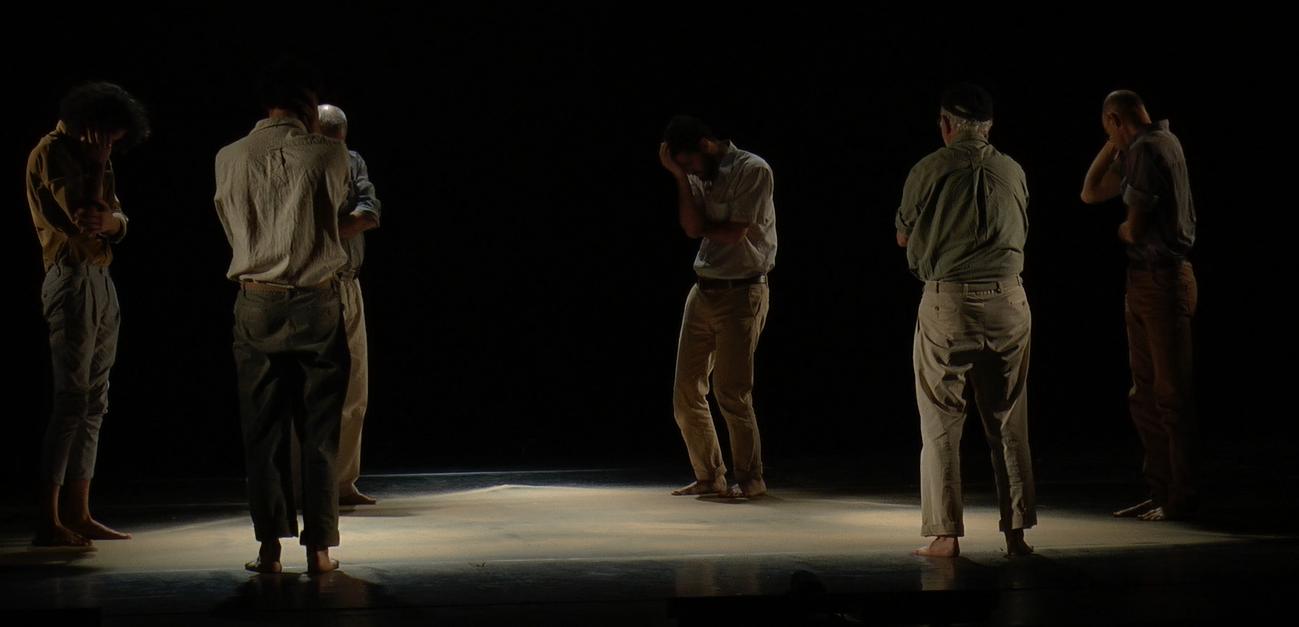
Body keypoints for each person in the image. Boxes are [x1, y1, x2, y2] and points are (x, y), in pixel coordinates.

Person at [214, 59, 359, 573]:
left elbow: (231, 224)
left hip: (256, 298)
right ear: (307, 104)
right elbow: (337, 213)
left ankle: (269, 550)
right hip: (316, 298)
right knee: (319, 431)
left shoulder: (228, 156)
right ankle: (319, 550)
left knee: (262, 432)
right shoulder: (330, 152)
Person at [895, 83, 1035, 558]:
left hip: (949, 301)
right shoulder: (1012, 169)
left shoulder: (929, 168)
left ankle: (945, 535)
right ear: (989, 127)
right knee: (1008, 419)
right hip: (1009, 298)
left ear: (946, 124)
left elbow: (903, 235)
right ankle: (1016, 533)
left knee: (941, 420)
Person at [26, 82, 149, 547]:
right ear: (93, 127)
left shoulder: (95, 157)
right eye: (110, 138)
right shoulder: (52, 153)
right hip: (71, 277)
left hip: (99, 278)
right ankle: (49, 519)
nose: (112, 147)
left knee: (96, 400)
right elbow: (85, 217)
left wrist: (113, 220)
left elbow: (116, 221)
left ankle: (79, 513)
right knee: (72, 400)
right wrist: (99, 175)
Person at [1081, 90, 1198, 522]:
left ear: (1114, 119)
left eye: (1108, 128)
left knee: (1170, 397)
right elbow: (1091, 192)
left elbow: (1133, 228)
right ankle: (1161, 491)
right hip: (1146, 282)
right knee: (1145, 394)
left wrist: (1124, 231)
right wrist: (1115, 142)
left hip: (1163, 281)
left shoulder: (1149, 149)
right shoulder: (1150, 144)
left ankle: (1180, 496)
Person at [658, 116, 776, 499]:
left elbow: (734, 232)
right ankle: (710, 476)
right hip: (704, 289)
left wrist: (703, 225)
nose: (690, 171)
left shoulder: (752, 170)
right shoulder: (696, 174)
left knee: (731, 392)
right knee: (685, 392)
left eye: (689, 163)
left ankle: (751, 478)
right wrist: (680, 177)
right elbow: (691, 227)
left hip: (742, 292)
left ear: (706, 147)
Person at [316, 104, 381, 506]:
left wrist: (322, 233)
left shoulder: (352, 161)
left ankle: (342, 483)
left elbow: (368, 213)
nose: (336, 151)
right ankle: (307, 485)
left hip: (347, 283)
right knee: (312, 392)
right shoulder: (301, 164)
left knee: (355, 388)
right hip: (312, 285)